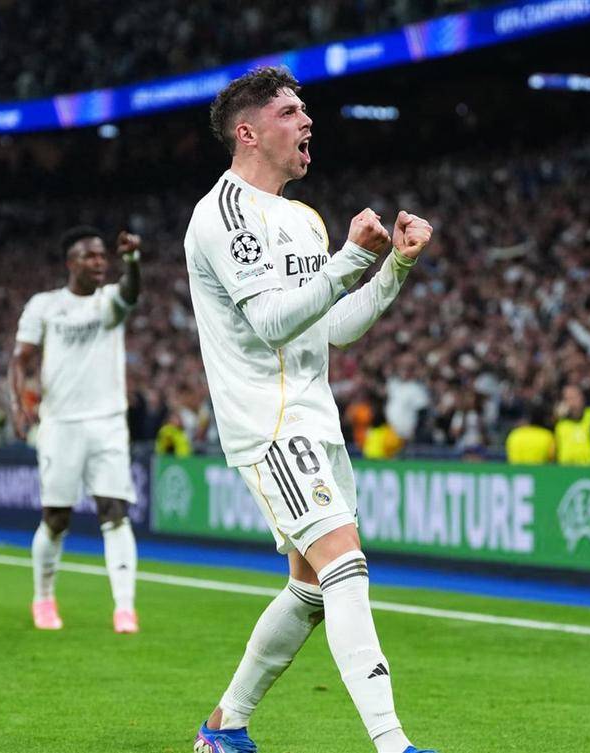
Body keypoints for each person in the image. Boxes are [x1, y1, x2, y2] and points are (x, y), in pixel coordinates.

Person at [183, 67, 437, 753]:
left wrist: (394, 267)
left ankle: (224, 726)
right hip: (267, 421)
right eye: (291, 112)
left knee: (313, 588)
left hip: (314, 415)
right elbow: (270, 322)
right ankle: (393, 743)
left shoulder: (302, 218)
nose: (307, 121)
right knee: (344, 562)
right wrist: (350, 258)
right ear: (248, 133)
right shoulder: (222, 214)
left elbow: (333, 327)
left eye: (304, 110)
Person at [10, 225, 143, 633]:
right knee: (56, 518)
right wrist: (18, 404)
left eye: (103, 255)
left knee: (114, 512)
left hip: (108, 422)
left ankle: (125, 608)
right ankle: (43, 598)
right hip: (61, 424)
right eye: (90, 256)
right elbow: (21, 359)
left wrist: (132, 261)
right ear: (71, 262)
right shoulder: (45, 305)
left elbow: (131, 292)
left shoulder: (110, 301)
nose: (99, 262)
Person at [554, 384, 590, 465]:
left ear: (582, 398)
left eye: (574, 397)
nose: (571, 402)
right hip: (565, 469)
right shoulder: (560, 423)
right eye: (567, 399)